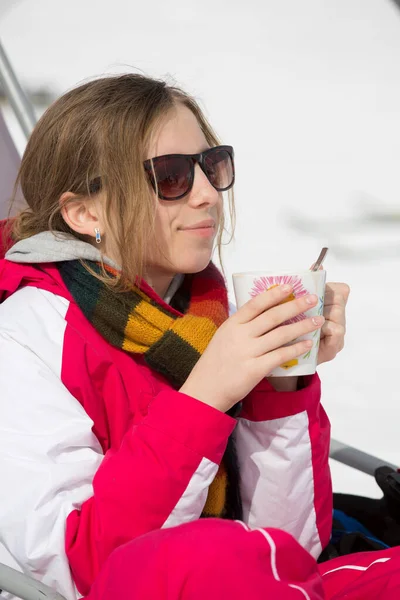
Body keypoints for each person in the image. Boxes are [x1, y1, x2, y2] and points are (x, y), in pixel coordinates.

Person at [0, 73, 354, 599]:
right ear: (83, 212)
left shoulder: (212, 318)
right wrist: (206, 396)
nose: (209, 194)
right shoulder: (27, 337)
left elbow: (289, 551)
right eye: (170, 176)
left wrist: (282, 383)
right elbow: (79, 571)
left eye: (212, 167)